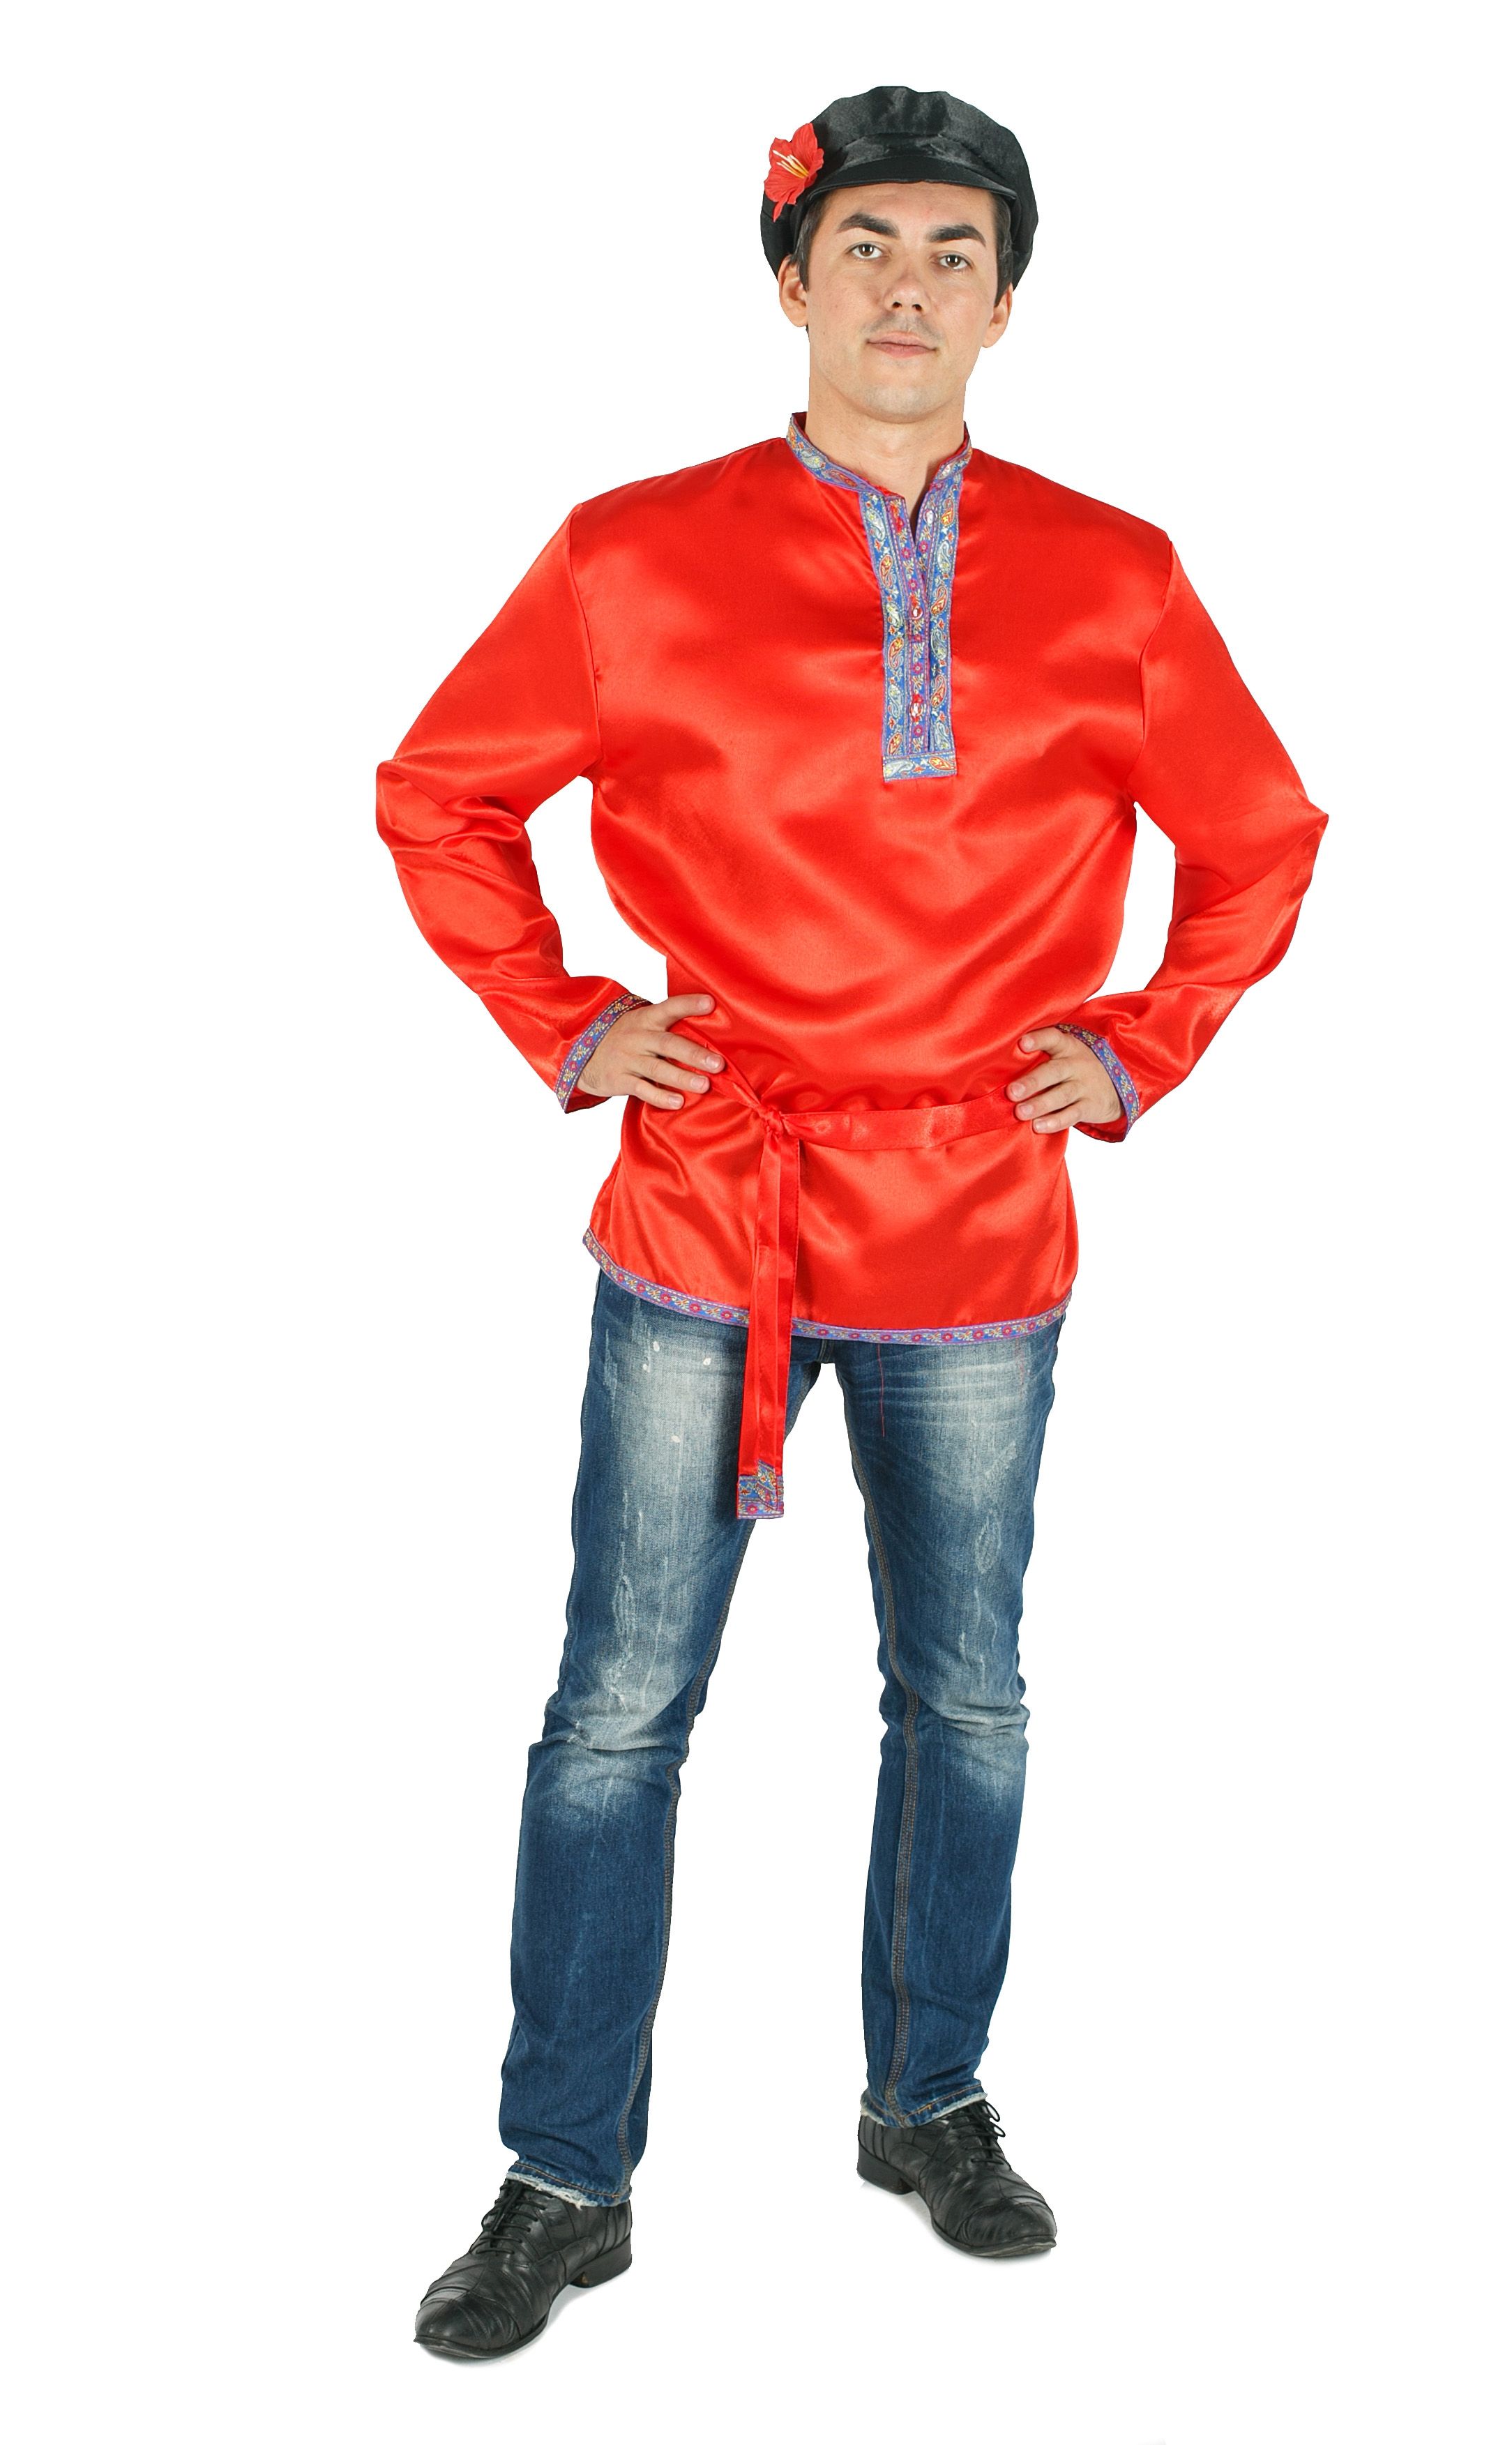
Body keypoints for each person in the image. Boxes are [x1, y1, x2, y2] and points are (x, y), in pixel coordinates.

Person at [376, 84, 1328, 2361]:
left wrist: (1142, 1044)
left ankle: (928, 2100)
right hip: (712, 1205)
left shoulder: (1116, 574)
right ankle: (563, 2171)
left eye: (955, 253)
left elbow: (1262, 835)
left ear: (1007, 304)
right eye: (870, 246)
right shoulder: (630, 553)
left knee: (966, 1695)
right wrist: (571, 1018)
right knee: (619, 1707)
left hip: (977, 1218)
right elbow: (439, 794)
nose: (910, 287)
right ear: (793, 280)